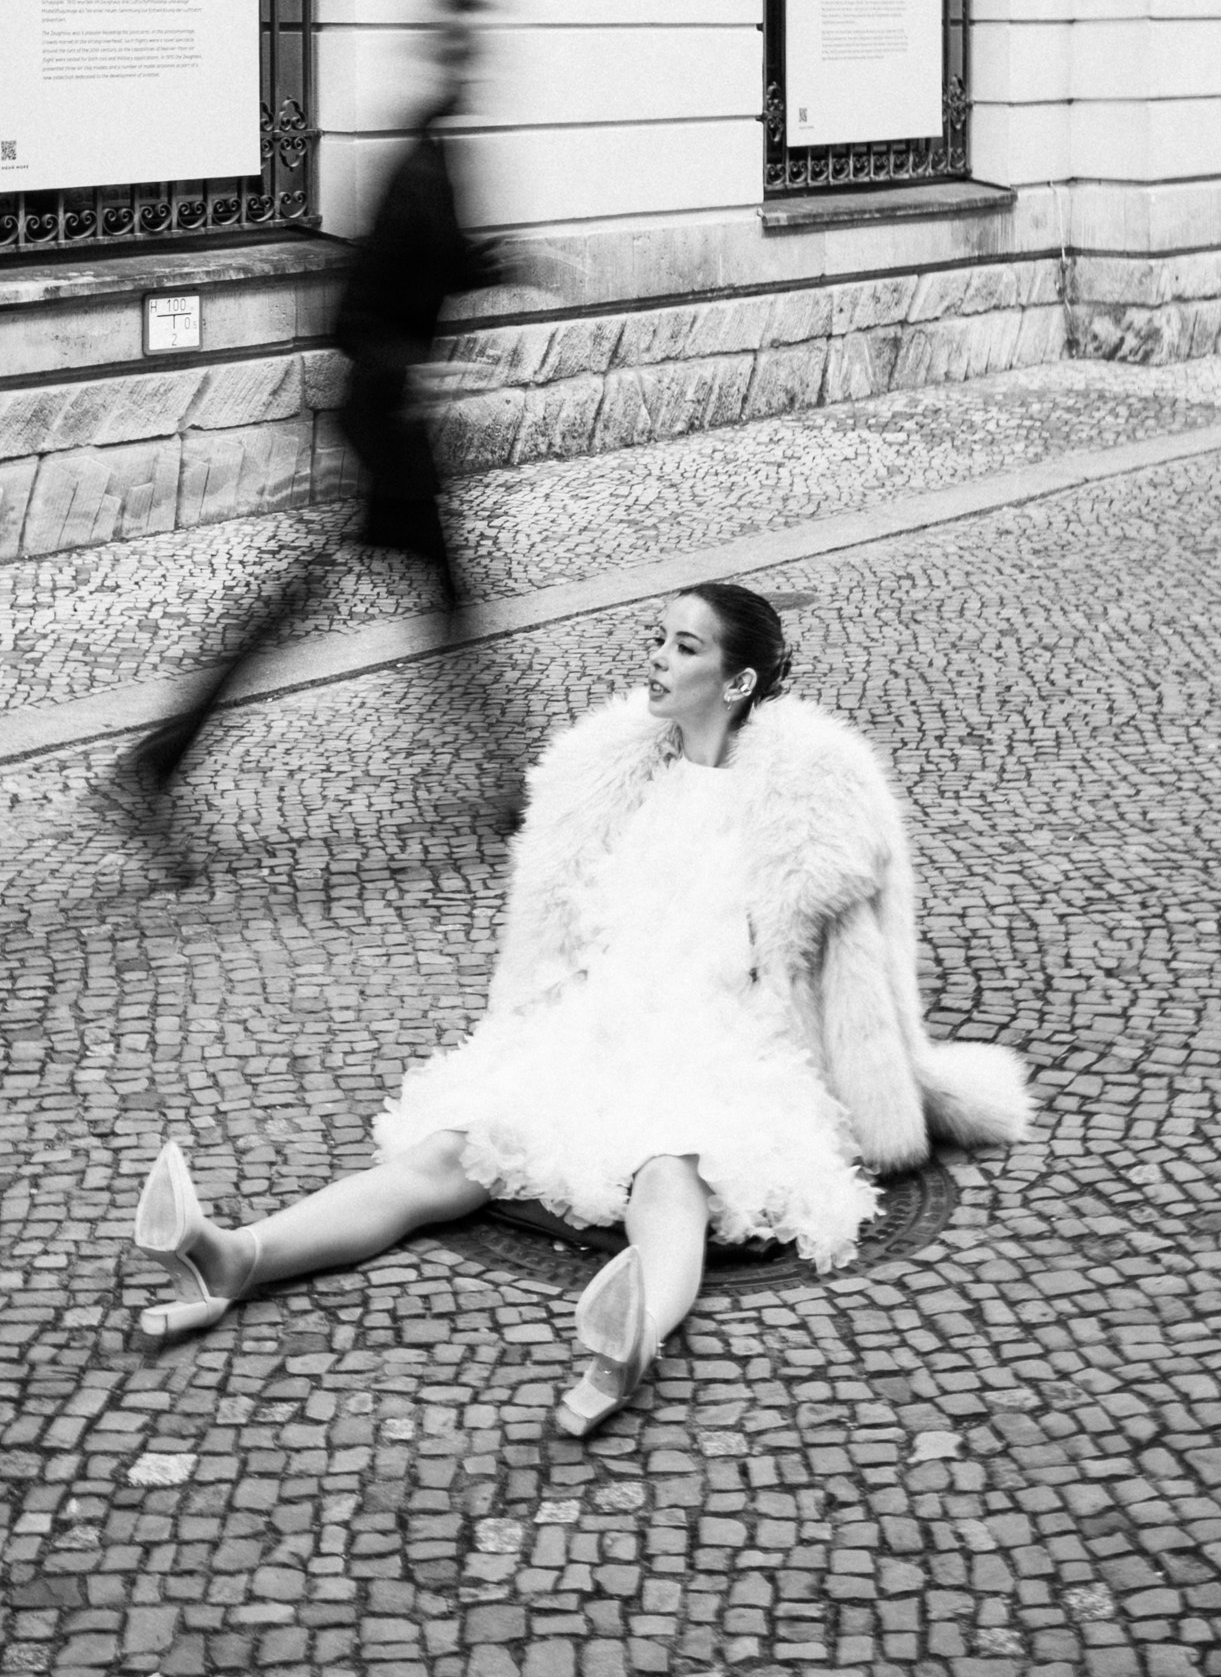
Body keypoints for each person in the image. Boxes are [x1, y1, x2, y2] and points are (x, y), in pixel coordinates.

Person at [124, 580, 1032, 1435]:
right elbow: (573, 928)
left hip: (732, 1038)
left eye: (682, 648)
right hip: (602, 1018)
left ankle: (634, 1334)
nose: (657, 661)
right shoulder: (619, 775)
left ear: (738, 678)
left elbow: (862, 974)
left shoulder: (804, 800)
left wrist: (878, 1075)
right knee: (452, 1150)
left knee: (669, 1168)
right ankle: (234, 1256)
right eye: (658, 641)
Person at [126, 0, 512, 805]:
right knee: (422, 598)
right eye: (463, 55)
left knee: (406, 597)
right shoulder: (415, 168)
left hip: (392, 418)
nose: (474, 71)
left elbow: (432, 268)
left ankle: (162, 762)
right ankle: (510, 783)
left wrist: (502, 265)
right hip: (387, 420)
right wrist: (419, 371)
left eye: (476, 55)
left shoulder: (438, 157)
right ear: (441, 62)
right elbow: (357, 317)